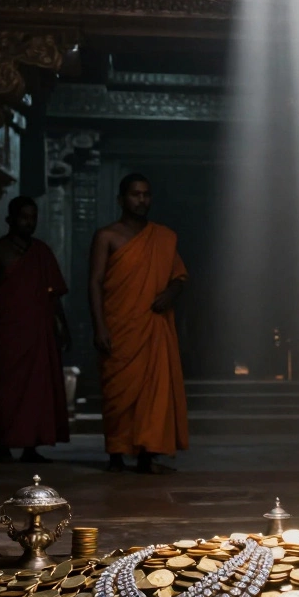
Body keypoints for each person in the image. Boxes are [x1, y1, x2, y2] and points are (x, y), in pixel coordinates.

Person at [89, 174, 188, 473]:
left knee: (152, 393)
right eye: (135, 194)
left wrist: (169, 294)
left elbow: (179, 277)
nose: (141, 200)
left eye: (146, 194)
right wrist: (99, 327)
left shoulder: (163, 237)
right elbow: (94, 282)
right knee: (118, 392)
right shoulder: (107, 236)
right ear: (121, 199)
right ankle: (116, 454)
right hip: (120, 326)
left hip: (153, 325)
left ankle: (147, 454)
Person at [0, 196, 71, 463]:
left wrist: (62, 326)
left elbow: (53, 295)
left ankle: (32, 446)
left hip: (38, 333)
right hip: (8, 332)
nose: (29, 222)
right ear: (10, 219)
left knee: (37, 391)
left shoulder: (41, 252)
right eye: (23, 217)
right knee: (7, 390)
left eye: (33, 217)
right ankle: (5, 445)